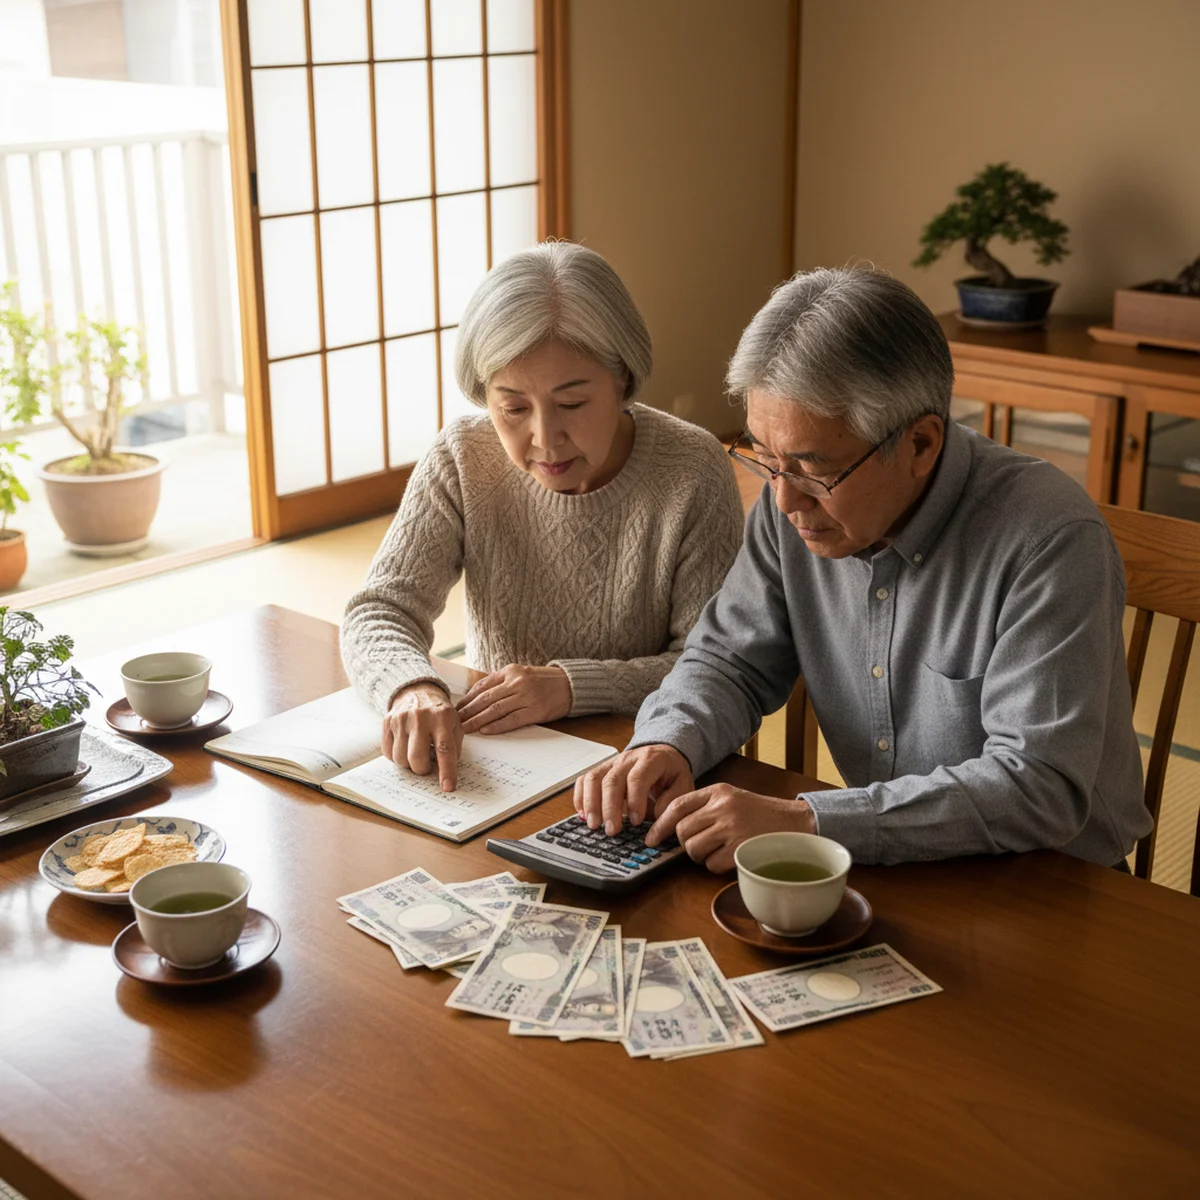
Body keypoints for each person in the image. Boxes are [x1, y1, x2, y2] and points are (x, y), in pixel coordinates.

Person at [575, 265, 1152, 872]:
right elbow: (731, 660)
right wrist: (669, 739)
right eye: (765, 459)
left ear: (922, 444)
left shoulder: (1049, 539)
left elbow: (1039, 786)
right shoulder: (794, 503)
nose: (784, 500)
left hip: (1055, 884)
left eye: (813, 468)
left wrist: (808, 821)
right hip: (887, 862)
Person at [341, 242, 744, 792]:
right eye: (512, 408)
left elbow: (714, 667)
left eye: (572, 404)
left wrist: (570, 687)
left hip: (640, 769)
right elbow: (378, 611)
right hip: (499, 768)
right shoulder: (463, 456)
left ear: (622, 378)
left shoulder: (692, 469)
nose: (544, 438)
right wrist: (411, 686)